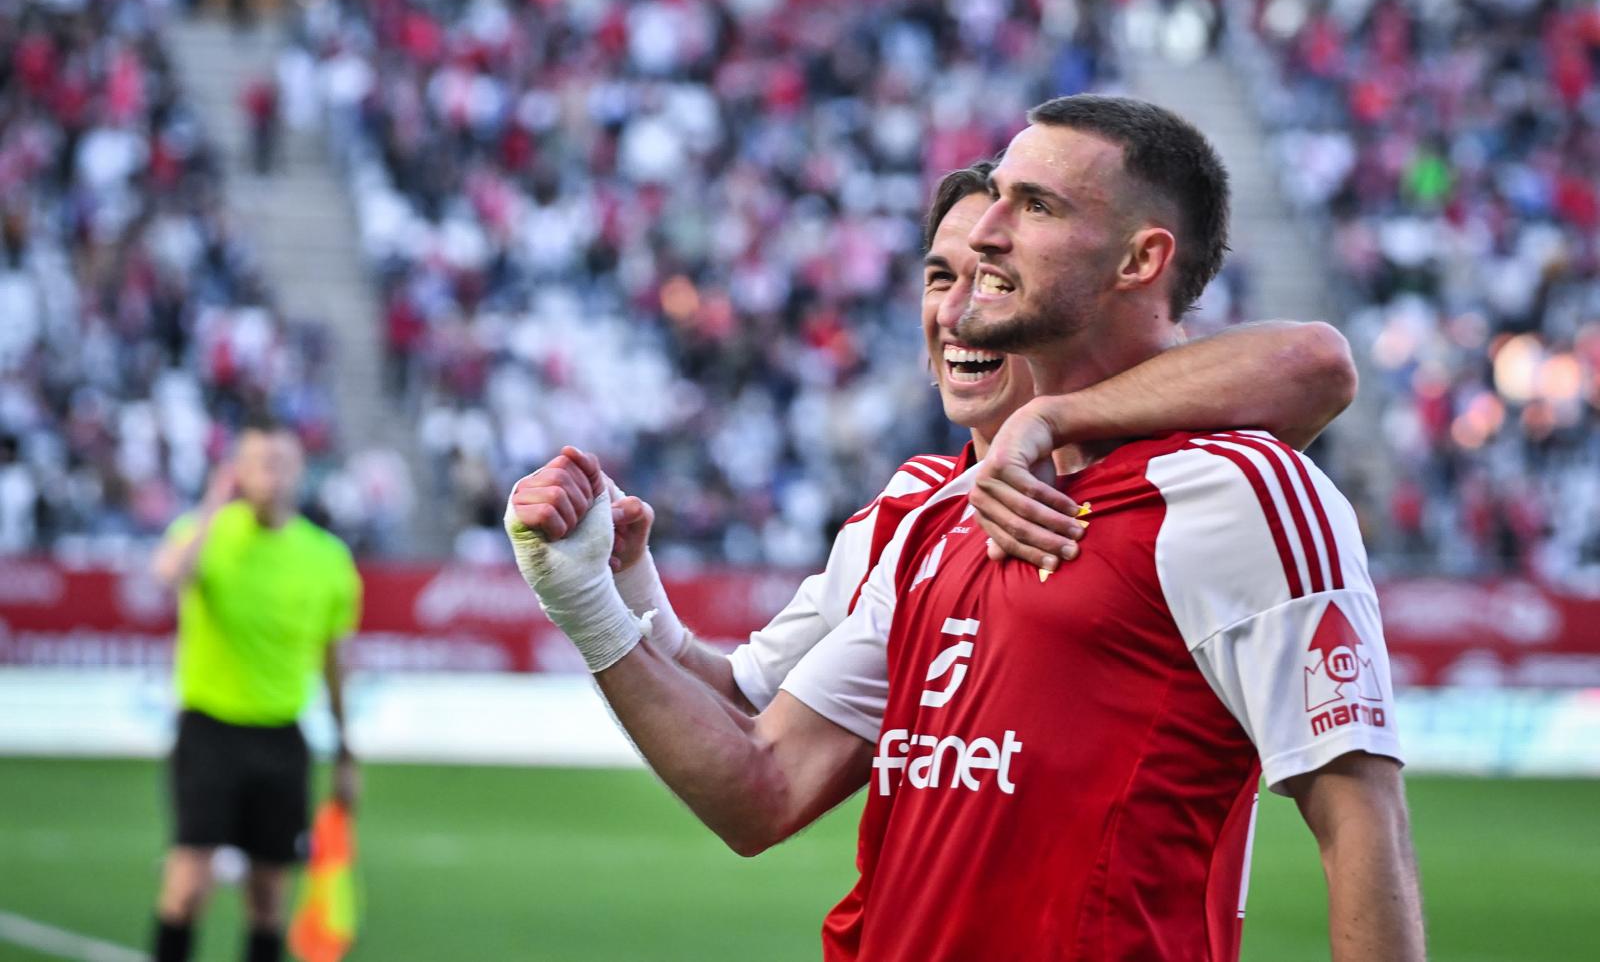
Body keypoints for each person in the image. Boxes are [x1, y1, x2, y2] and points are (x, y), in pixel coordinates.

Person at [506, 96, 1424, 961]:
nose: (975, 264)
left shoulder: (1233, 490)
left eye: (1031, 210)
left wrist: (1054, 420)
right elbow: (762, 775)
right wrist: (606, 603)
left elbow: (1361, 817)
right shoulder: (930, 514)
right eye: (942, 269)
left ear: (1139, 260)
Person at [596, 160, 1357, 714]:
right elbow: (740, 705)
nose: (958, 312)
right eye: (938, 278)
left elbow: (1316, 363)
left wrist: (1051, 418)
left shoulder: (1170, 477)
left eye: (994, 280)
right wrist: (621, 581)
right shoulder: (903, 512)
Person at [148, 419, 362, 962]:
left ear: (300, 471)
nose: (271, 475)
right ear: (237, 472)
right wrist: (212, 507)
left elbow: (334, 663)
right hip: (208, 729)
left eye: (281, 462)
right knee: (189, 885)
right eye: (258, 463)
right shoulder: (206, 534)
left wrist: (344, 750)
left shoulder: (327, 559)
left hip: (282, 738)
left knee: (269, 898)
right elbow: (169, 574)